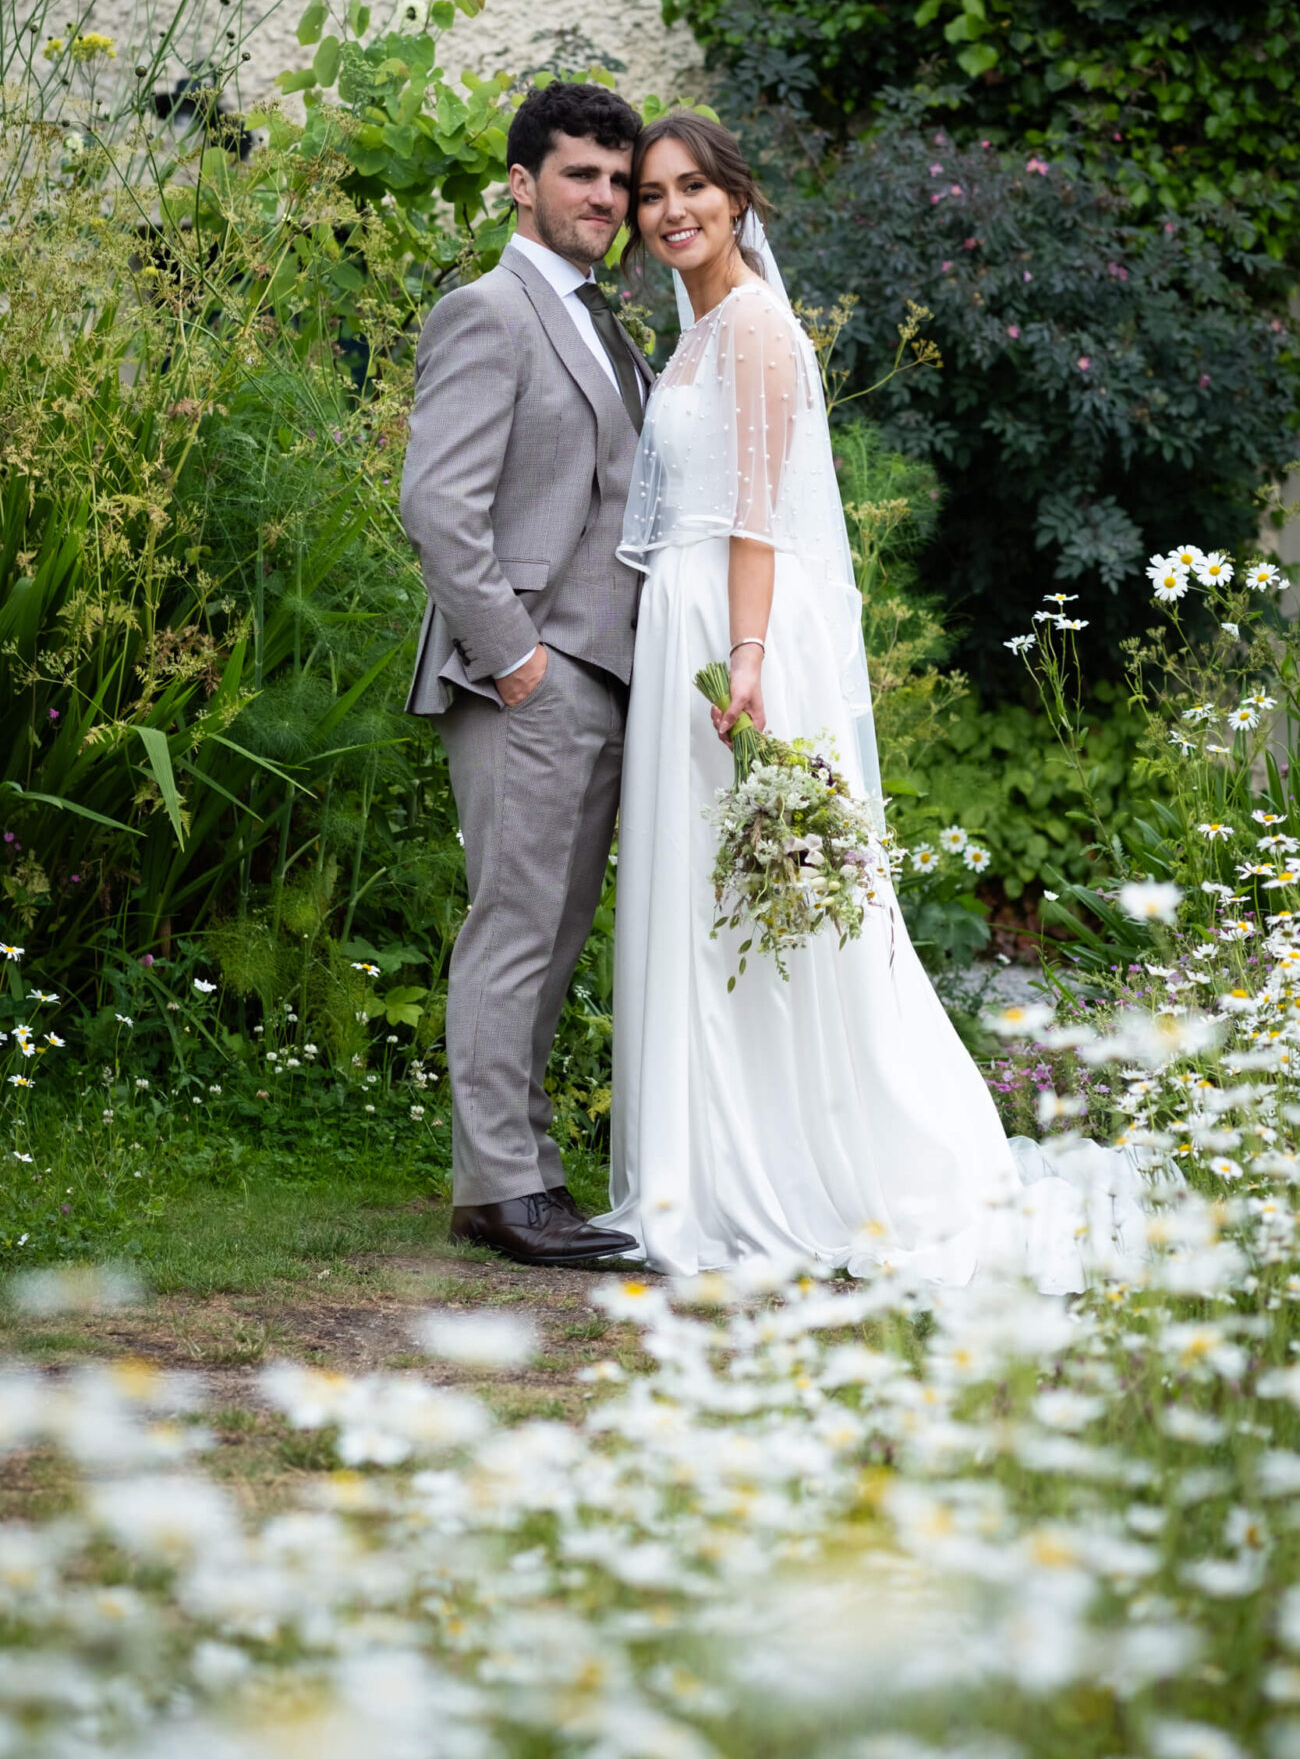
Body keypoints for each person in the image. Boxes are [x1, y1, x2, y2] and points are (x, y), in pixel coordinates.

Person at [601, 112, 1145, 1290]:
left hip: (735, 630)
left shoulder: (752, 329)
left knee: (753, 893)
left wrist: (743, 657)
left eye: (693, 186)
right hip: (689, 615)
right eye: (652, 194)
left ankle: (816, 1162)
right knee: (705, 892)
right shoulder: (695, 332)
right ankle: (701, 1161)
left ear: (738, 200)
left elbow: (756, 511)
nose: (671, 209)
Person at [400, 82, 652, 1267]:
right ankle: (503, 1187)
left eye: (616, 179)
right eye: (579, 176)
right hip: (527, 678)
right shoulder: (489, 311)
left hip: (602, 677)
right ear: (520, 183)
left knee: (551, 936)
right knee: (514, 927)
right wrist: (518, 665)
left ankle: (522, 1177)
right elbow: (438, 506)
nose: (604, 198)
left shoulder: (608, 326)